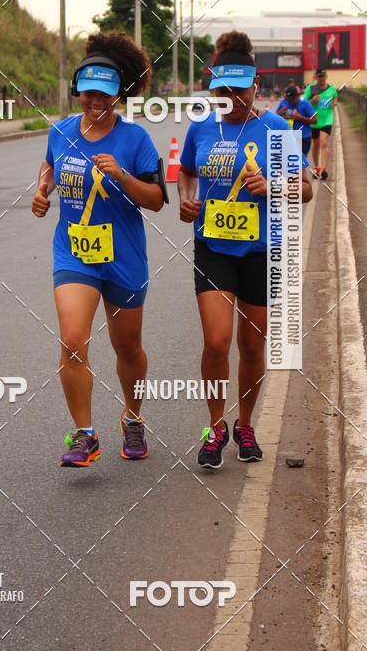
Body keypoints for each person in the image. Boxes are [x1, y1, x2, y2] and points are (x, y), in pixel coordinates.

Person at [31, 32, 167, 467]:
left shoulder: (136, 139)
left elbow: (157, 200)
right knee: (73, 341)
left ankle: (133, 417)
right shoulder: (61, 132)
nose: (95, 101)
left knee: (127, 348)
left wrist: (124, 177)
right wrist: (43, 188)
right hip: (75, 253)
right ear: (77, 90)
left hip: (124, 257)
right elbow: (50, 163)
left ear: (118, 95)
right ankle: (84, 434)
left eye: (104, 95)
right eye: (88, 93)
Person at [178, 31, 313, 469]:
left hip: (262, 250)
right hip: (214, 247)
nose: (230, 98)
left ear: (256, 86)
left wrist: (272, 186)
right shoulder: (202, 128)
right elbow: (186, 173)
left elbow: (307, 189)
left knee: (252, 347)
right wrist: (186, 197)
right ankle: (215, 428)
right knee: (216, 340)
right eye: (221, 91)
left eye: (238, 90)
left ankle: (246, 424)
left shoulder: (276, 128)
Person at [303, 68, 338, 179]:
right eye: (319, 76)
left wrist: (334, 103)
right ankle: (317, 166)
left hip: (327, 119)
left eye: (323, 76)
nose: (321, 79)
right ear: (316, 77)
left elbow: (335, 99)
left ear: (326, 76)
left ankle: (323, 168)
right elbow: (303, 103)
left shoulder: (332, 88)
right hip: (314, 120)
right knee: (316, 144)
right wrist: (312, 100)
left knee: (324, 143)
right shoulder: (311, 88)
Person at [276, 84, 316, 157]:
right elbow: (275, 118)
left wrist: (301, 118)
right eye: (289, 100)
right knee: (288, 164)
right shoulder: (284, 102)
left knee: (300, 164)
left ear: (297, 96)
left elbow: (315, 120)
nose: (290, 102)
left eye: (293, 99)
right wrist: (279, 113)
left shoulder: (305, 103)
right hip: (288, 137)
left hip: (303, 137)